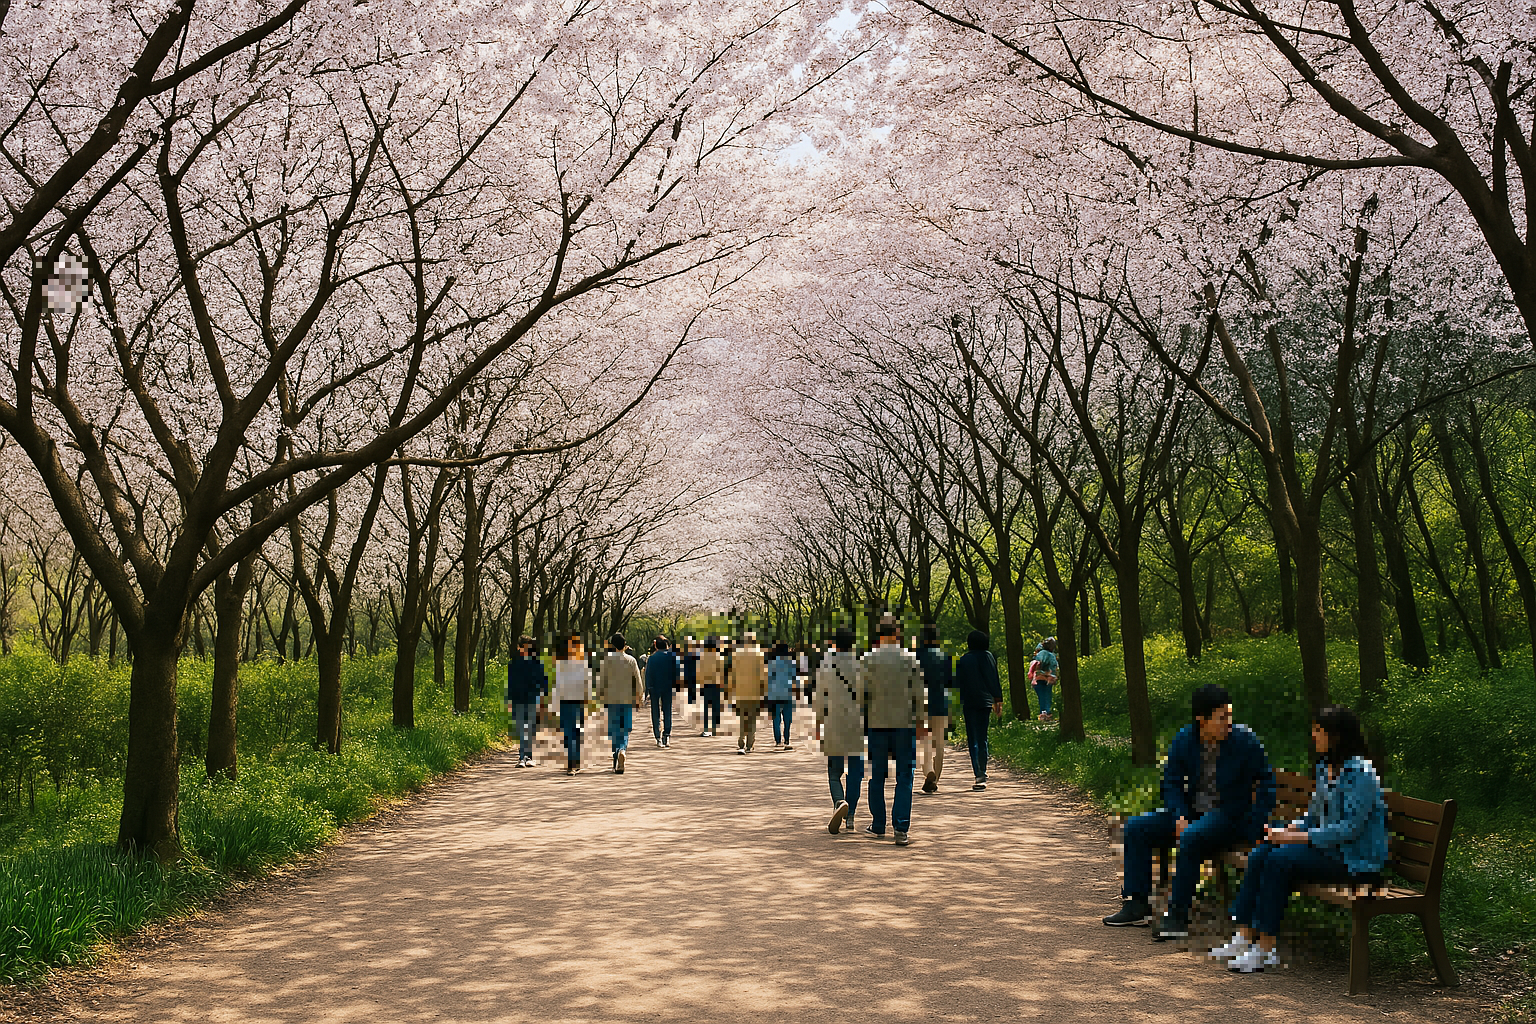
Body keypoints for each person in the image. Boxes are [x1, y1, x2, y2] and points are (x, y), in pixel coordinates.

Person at [1211, 705, 1389, 973]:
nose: (1313, 735)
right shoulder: (1326, 768)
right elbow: (1314, 816)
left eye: (1318, 730)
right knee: (1262, 852)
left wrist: (1297, 838)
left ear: (1337, 736)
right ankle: (1243, 937)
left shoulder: (1361, 774)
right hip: (1328, 850)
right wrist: (1288, 830)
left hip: (1354, 859)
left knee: (1279, 860)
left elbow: (1349, 829)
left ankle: (1265, 950)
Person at [1102, 683, 1277, 939]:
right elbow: (1171, 781)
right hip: (1194, 813)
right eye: (1221, 717)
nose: (1228, 723)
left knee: (1191, 836)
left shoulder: (1245, 740)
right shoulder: (1186, 739)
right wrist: (1179, 815)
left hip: (1231, 817)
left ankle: (1178, 917)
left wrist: (1255, 826)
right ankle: (1137, 904)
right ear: (1201, 720)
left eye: (1229, 715)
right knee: (1137, 828)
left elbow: (1266, 784)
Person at [859, 615, 927, 846]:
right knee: (905, 775)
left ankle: (878, 824)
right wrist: (921, 721)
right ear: (897, 633)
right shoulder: (909, 658)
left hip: (876, 723)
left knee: (877, 775)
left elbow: (860, 694)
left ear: (879, 634)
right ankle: (901, 827)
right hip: (904, 723)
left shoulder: (868, 659)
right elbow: (919, 693)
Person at [815, 625, 865, 834]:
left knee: (834, 772)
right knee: (855, 772)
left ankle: (839, 801)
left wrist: (818, 723)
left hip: (833, 721)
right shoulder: (861, 665)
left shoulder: (826, 665)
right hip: (855, 722)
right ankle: (850, 815)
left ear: (835, 644)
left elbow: (820, 697)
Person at [953, 629, 1004, 791]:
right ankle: (983, 770)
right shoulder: (988, 656)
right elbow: (992, 678)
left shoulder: (963, 659)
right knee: (982, 738)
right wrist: (998, 699)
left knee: (973, 739)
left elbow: (957, 683)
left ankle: (978, 774)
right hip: (985, 702)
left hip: (969, 702)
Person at [598, 632, 644, 774]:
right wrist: (640, 696)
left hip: (610, 699)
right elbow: (638, 681)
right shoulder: (631, 660)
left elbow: (600, 682)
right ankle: (622, 750)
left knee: (613, 730)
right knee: (624, 729)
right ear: (624, 645)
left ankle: (616, 756)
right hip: (627, 699)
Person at [915, 625, 951, 794]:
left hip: (921, 705)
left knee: (924, 742)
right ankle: (935, 778)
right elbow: (951, 681)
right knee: (939, 744)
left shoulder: (915, 656)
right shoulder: (945, 656)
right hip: (941, 703)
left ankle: (928, 770)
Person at [505, 635, 548, 767]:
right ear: (519, 647)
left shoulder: (537, 662)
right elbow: (510, 684)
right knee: (522, 728)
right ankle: (523, 756)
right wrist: (509, 701)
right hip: (518, 700)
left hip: (532, 699)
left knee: (529, 728)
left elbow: (544, 682)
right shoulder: (514, 663)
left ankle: (527, 756)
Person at [552, 633, 592, 775]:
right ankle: (574, 762)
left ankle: (571, 762)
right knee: (576, 731)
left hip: (565, 702)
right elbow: (587, 685)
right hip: (578, 701)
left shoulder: (560, 664)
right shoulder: (582, 664)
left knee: (568, 732)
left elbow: (556, 686)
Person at [731, 631, 766, 754]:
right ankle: (750, 744)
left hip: (741, 692)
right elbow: (763, 676)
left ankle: (741, 741)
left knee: (742, 719)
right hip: (755, 692)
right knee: (752, 719)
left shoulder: (737, 654)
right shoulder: (759, 654)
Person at [645, 636, 679, 748]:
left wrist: (648, 689)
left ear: (656, 646)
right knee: (667, 710)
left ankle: (658, 737)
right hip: (668, 687)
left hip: (655, 687)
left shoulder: (652, 658)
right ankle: (667, 735)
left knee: (655, 711)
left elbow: (648, 674)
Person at [765, 641, 798, 750]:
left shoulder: (772, 663)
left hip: (775, 694)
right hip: (788, 694)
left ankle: (778, 740)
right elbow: (795, 679)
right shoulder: (791, 663)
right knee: (787, 719)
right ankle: (787, 739)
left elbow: (768, 680)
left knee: (776, 719)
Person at [697, 637, 724, 737]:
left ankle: (706, 729)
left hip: (706, 684)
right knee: (716, 706)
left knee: (706, 707)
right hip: (718, 684)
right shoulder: (720, 656)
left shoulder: (703, 657)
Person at [1030, 637, 1059, 721]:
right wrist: (1047, 674)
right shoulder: (1044, 654)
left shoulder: (1048, 654)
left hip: (1046, 680)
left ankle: (1046, 715)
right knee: (1044, 698)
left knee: (1046, 698)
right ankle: (1044, 716)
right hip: (1042, 679)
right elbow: (1038, 665)